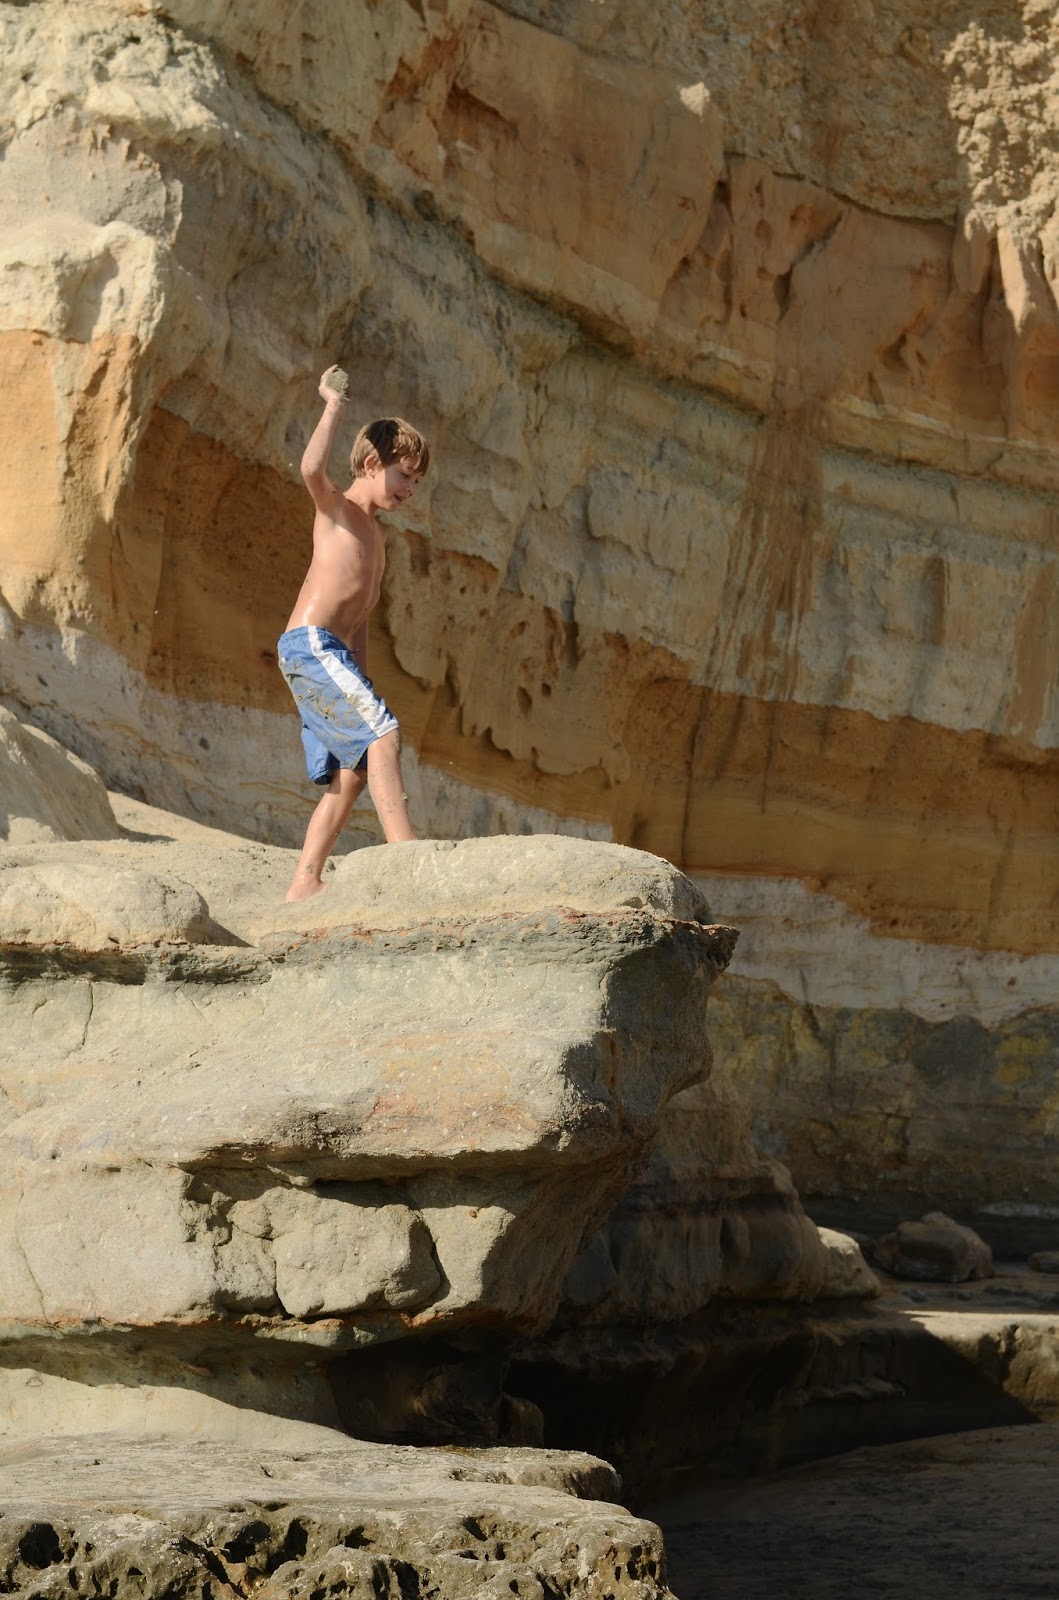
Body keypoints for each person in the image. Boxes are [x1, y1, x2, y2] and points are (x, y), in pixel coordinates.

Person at [277, 366, 430, 901]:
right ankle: (407, 857)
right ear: (370, 464)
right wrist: (333, 407)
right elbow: (310, 467)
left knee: (354, 771)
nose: (410, 488)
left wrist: (361, 678)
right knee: (382, 738)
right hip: (311, 644)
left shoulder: (378, 538)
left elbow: (360, 617)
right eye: (404, 475)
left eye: (417, 481)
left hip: (331, 653)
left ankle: (304, 882)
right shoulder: (337, 509)